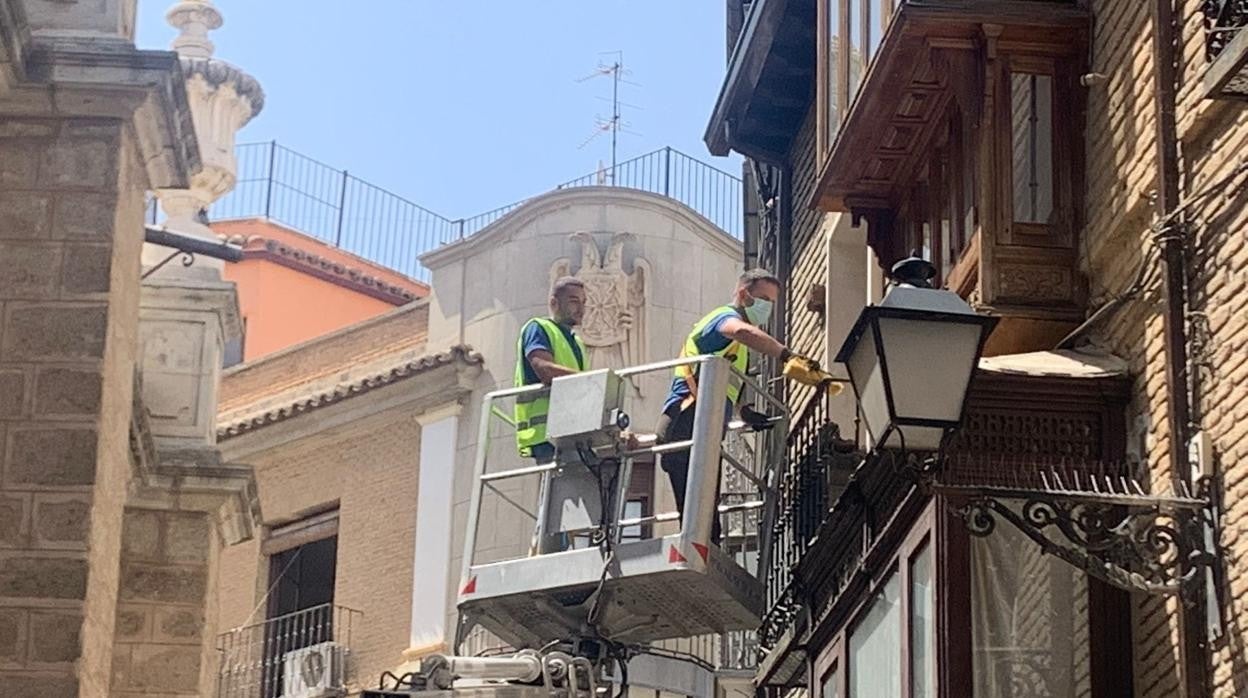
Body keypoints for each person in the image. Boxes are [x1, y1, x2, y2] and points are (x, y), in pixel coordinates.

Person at [657, 268, 808, 545]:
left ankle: (703, 549)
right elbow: (739, 330)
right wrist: (786, 355)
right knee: (695, 504)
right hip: (687, 415)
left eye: (772, 302)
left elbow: (729, 385)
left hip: (706, 422)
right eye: (763, 298)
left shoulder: (737, 348)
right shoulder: (723, 318)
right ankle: (694, 549)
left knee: (704, 505)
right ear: (743, 294)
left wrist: (745, 411)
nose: (767, 308)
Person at [514, 276, 589, 464]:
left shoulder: (577, 343)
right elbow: (543, 368)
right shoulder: (538, 328)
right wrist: (591, 380)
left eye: (583, 302)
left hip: (572, 431)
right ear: (554, 303)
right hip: (546, 433)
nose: (581, 309)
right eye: (573, 302)